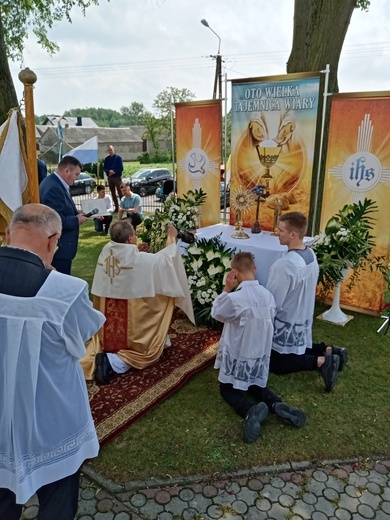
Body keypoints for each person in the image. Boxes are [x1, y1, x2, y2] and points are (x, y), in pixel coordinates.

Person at [0, 203, 105, 520]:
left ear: (8, 233)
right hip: (52, 416)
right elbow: (84, 342)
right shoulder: (66, 290)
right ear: (53, 239)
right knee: (58, 501)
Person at [81, 220, 194, 384]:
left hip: (107, 321)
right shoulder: (140, 259)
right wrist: (171, 238)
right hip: (132, 327)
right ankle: (112, 362)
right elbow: (166, 261)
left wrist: (135, 251)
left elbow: (129, 265)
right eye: (134, 234)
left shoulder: (106, 252)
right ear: (130, 239)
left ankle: (108, 353)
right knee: (150, 336)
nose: (136, 236)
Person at [212, 252, 307, 444]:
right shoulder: (268, 297)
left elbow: (217, 313)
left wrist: (226, 289)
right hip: (258, 355)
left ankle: (249, 411)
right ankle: (275, 403)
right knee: (256, 385)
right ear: (255, 269)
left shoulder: (236, 298)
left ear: (235, 273)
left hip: (240, 353)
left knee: (227, 389)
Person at [266, 212, 348, 392]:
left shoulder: (285, 265)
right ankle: (329, 350)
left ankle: (320, 362)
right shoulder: (309, 253)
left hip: (285, 320)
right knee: (296, 349)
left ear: (293, 234)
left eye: (280, 230)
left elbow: (273, 301)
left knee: (275, 363)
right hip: (301, 317)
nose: (277, 233)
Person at [39, 155, 88, 274]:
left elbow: (61, 209)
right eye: (76, 174)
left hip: (60, 249)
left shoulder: (54, 182)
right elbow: (54, 220)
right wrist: (76, 220)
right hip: (58, 249)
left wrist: (77, 213)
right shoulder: (54, 187)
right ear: (67, 171)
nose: (76, 179)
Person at [103, 145, 123, 212]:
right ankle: (117, 208)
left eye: (111, 150)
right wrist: (109, 171)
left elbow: (121, 168)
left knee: (120, 192)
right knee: (113, 193)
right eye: (109, 150)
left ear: (113, 150)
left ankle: (123, 207)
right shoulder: (107, 159)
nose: (110, 151)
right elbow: (104, 168)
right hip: (110, 178)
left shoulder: (118, 158)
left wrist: (113, 171)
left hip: (117, 177)